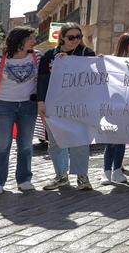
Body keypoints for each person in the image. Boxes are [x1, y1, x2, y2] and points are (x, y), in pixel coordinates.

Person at [38, 22, 96, 191]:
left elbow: (95, 77)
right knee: (56, 142)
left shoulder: (87, 53)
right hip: (54, 105)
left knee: (80, 140)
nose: (75, 40)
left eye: (79, 37)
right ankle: (61, 176)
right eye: (71, 37)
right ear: (61, 37)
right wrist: (40, 101)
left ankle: (82, 177)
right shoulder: (49, 55)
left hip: (79, 105)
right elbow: (42, 79)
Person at [0, 26, 40, 195]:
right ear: (20, 40)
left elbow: (51, 69)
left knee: (25, 145)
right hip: (2, 106)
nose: (34, 41)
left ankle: (24, 179)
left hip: (28, 106)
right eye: (31, 38)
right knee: (2, 144)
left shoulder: (37, 56)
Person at [102, 32, 129, 185]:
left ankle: (117, 170)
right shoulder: (111, 60)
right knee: (110, 140)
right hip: (111, 105)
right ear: (125, 43)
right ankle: (106, 172)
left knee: (121, 140)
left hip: (126, 106)